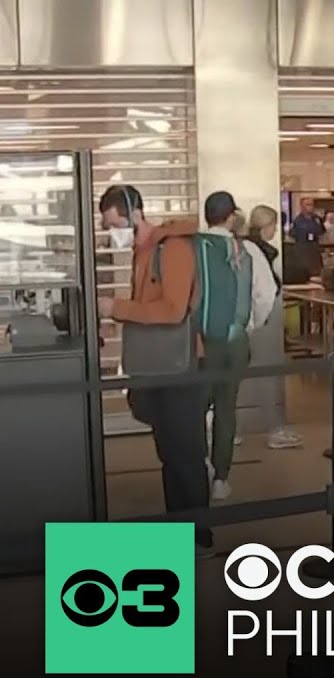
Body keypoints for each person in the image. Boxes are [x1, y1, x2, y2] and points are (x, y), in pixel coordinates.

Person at [96, 184, 214, 557]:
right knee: (169, 453)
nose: (112, 232)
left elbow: (172, 311)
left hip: (182, 365)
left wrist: (117, 308)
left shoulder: (173, 249)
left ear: (134, 214)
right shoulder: (142, 252)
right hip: (159, 366)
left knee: (186, 453)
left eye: (115, 223)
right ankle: (179, 526)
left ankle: (199, 535)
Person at [202, 194, 275, 502]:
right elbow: (265, 294)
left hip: (196, 343)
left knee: (192, 407)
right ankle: (221, 477)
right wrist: (250, 324)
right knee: (226, 408)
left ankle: (197, 464)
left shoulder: (191, 248)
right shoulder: (248, 251)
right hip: (233, 340)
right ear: (231, 217)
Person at [244, 204, 304, 451]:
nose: (275, 231)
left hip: (249, 321)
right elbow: (266, 291)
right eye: (273, 225)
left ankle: (234, 428)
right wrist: (261, 319)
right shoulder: (260, 251)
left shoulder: (244, 247)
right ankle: (274, 429)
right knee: (266, 375)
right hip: (261, 320)